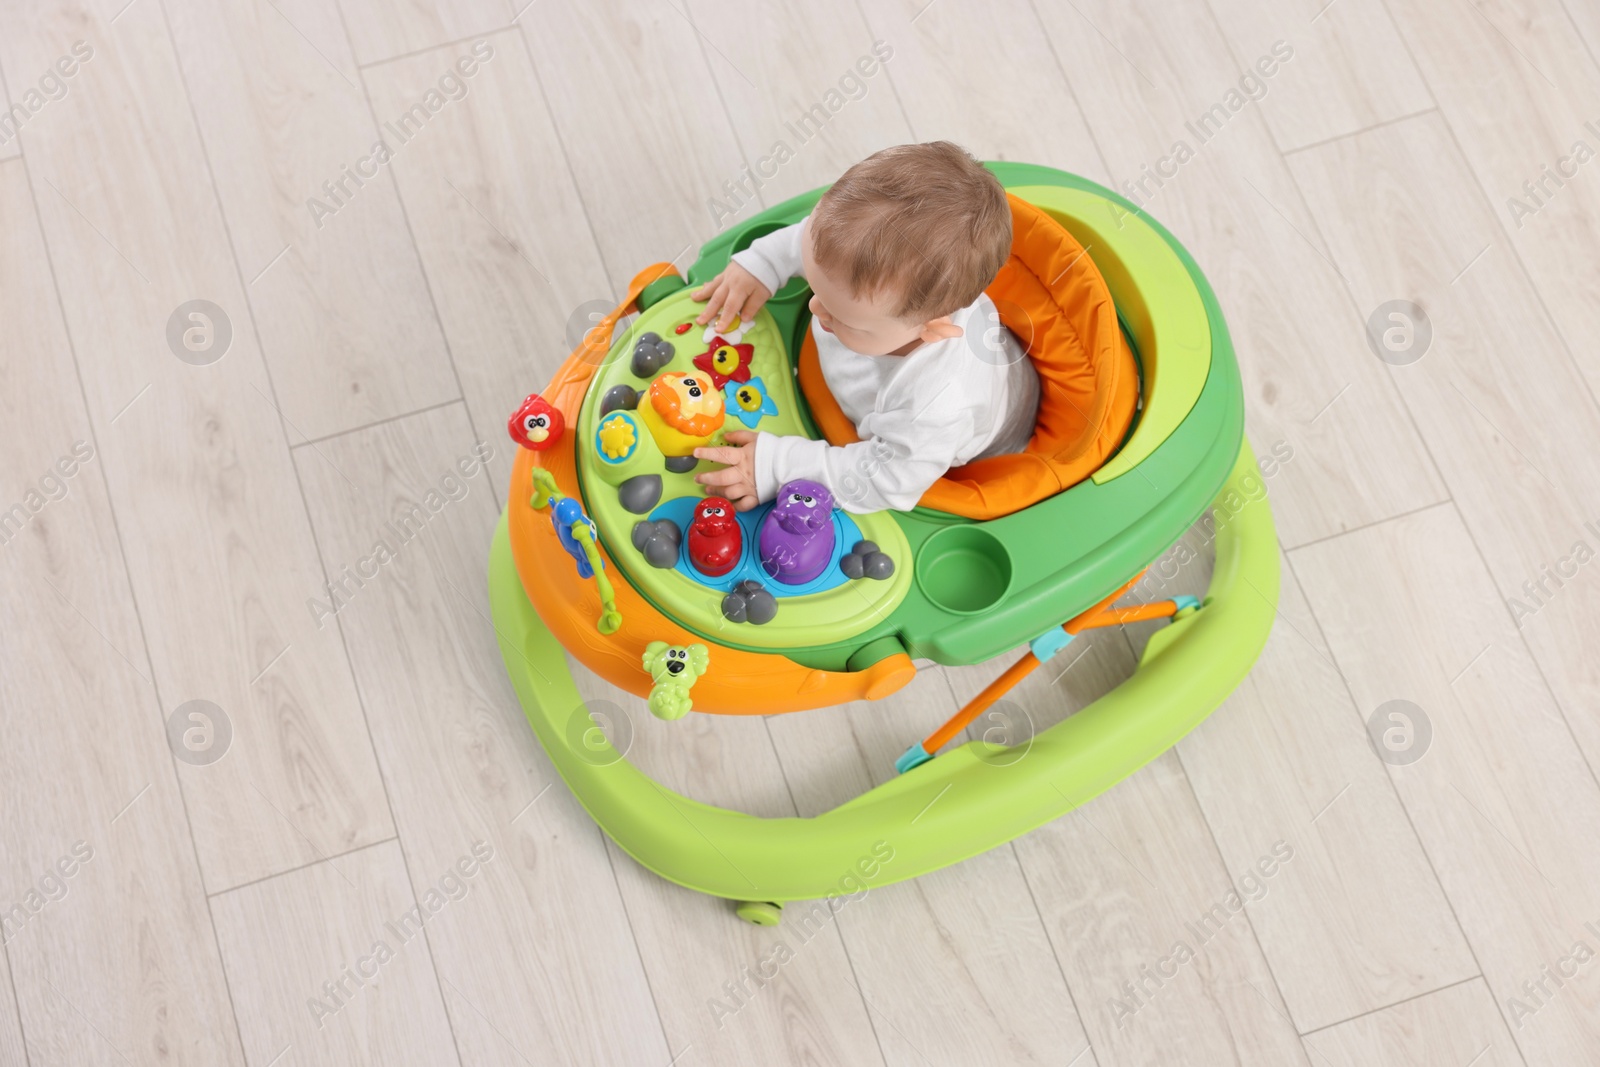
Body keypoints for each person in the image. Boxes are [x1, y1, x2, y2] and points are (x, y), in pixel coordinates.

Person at [690, 141, 1039, 513]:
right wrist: (764, 263)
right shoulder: (857, 263)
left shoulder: (935, 407)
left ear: (932, 329)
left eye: (840, 316)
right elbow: (811, 241)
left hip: (976, 442)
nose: (812, 306)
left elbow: (882, 480)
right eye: (814, 281)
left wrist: (778, 465)